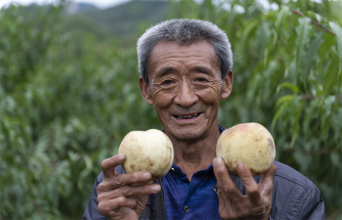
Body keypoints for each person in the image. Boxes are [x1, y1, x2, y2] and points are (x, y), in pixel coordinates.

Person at [83, 19, 324, 220]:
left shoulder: (295, 195)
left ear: (225, 84)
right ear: (146, 90)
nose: (186, 99)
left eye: (200, 79)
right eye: (167, 82)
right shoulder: (118, 188)